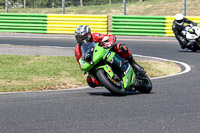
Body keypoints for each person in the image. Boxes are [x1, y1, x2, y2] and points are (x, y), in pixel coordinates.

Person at [74, 25, 145, 88]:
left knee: (121, 47)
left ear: (88, 35)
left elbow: (111, 37)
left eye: (82, 37)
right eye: (78, 37)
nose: (80, 39)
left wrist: (110, 43)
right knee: (90, 81)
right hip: (92, 61)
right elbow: (80, 62)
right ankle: (106, 81)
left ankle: (133, 64)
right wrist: (84, 68)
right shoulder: (77, 49)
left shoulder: (95, 36)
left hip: (105, 51)